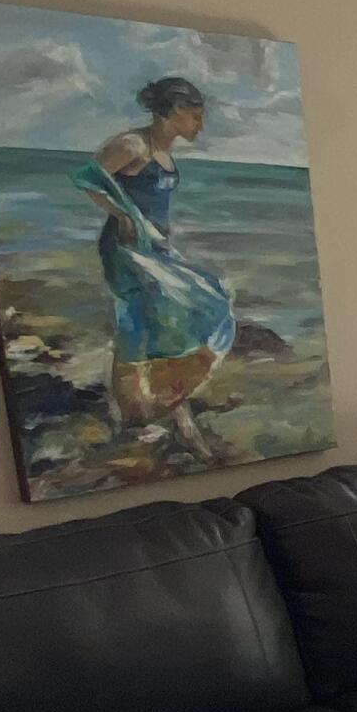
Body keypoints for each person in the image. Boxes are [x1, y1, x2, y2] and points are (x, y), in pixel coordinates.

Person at [72, 76, 237, 457]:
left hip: (157, 249)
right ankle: (137, 420)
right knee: (137, 327)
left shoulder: (163, 152)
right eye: (196, 117)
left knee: (203, 309)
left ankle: (168, 407)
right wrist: (122, 215)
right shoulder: (134, 145)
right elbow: (85, 177)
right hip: (127, 249)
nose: (200, 126)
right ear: (176, 112)